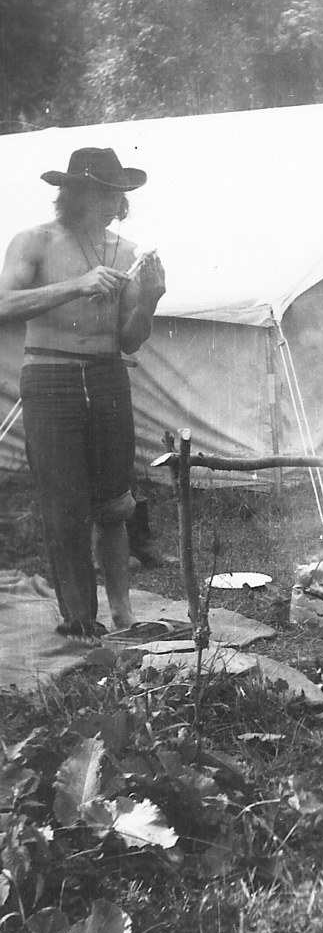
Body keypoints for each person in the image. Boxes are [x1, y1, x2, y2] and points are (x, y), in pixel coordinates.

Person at [0, 147, 166, 645]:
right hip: (50, 378)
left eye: (118, 194)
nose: (112, 203)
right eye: (101, 192)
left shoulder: (127, 250)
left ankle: (123, 615)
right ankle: (79, 620)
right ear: (72, 194)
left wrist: (151, 299)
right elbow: (3, 304)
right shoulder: (35, 241)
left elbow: (130, 339)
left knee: (115, 504)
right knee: (65, 504)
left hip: (108, 376)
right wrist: (77, 285)